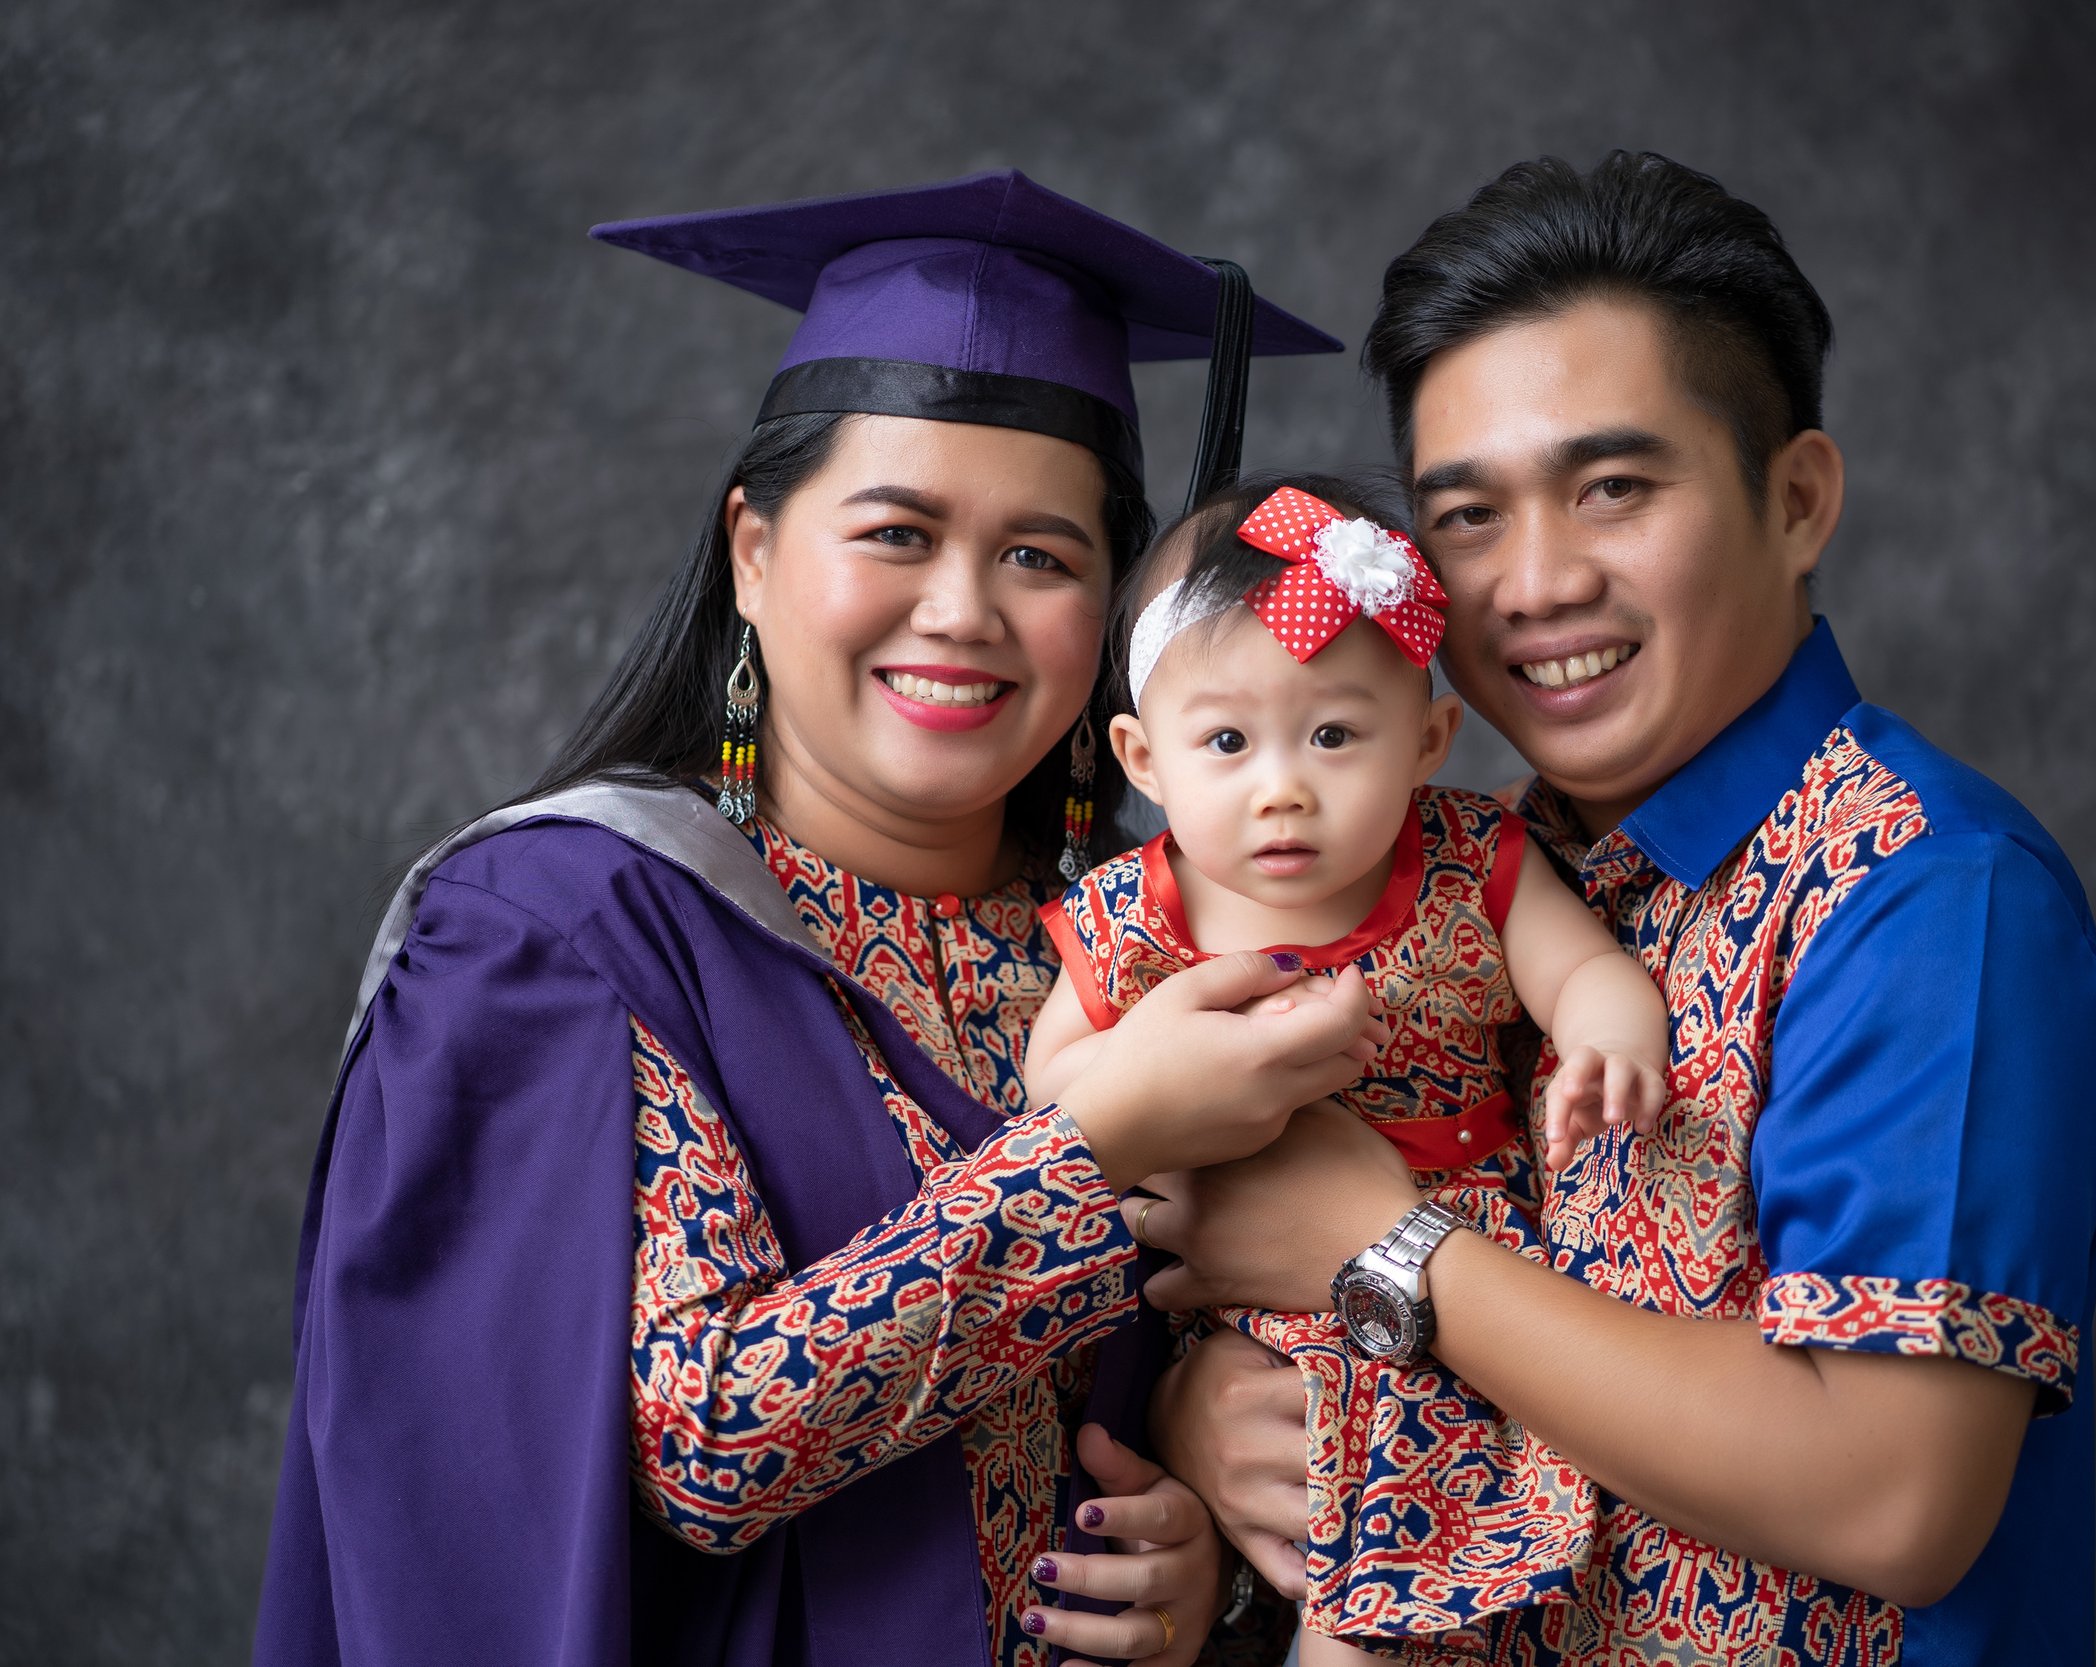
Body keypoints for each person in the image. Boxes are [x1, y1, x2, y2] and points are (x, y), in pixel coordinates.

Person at [252, 169, 1379, 1667]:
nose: (963, 609)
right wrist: (1091, 1146)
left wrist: (1206, 1568)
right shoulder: (558, 931)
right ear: (754, 550)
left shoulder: (1157, 942)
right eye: (897, 532)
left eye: (1040, 554)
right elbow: (698, 1445)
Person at [1142, 152, 2096, 1666]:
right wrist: (1209, 1408)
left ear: (1795, 500)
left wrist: (1383, 1249)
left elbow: (1892, 1493)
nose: (1535, 583)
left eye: (1612, 488)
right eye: (1468, 517)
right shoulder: (1454, 870)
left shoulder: (1925, 892)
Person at [1023, 473, 1668, 1663]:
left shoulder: (1472, 860)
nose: (1283, 785)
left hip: (1458, 1264)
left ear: (1426, 740)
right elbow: (1053, 1086)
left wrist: (1609, 1036)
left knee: (1402, 1582)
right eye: (1227, 741)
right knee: (1309, 1548)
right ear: (1144, 756)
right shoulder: (1132, 918)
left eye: (1332, 734)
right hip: (1241, 1305)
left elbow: (1583, 970)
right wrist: (1147, 1085)